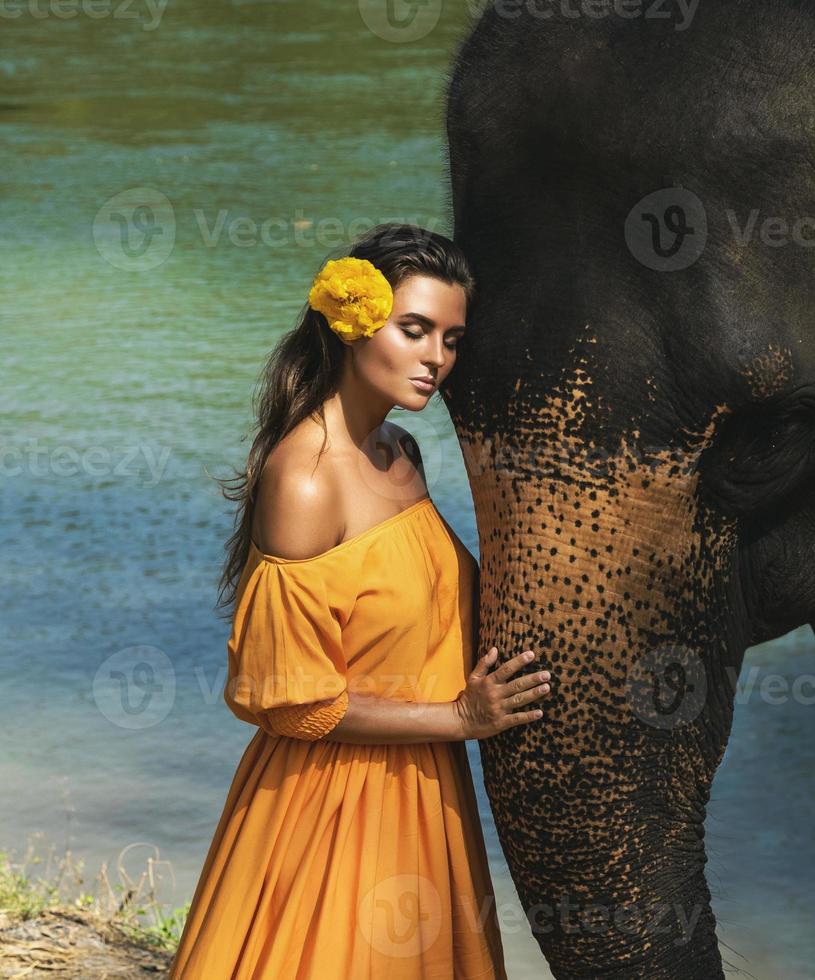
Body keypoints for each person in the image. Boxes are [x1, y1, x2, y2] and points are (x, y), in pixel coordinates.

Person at [169, 224, 549, 978]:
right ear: (351, 327)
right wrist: (462, 718)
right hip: (329, 808)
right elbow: (289, 701)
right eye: (414, 330)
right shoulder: (306, 479)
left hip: (422, 790)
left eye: (451, 338)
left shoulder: (400, 455)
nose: (436, 359)